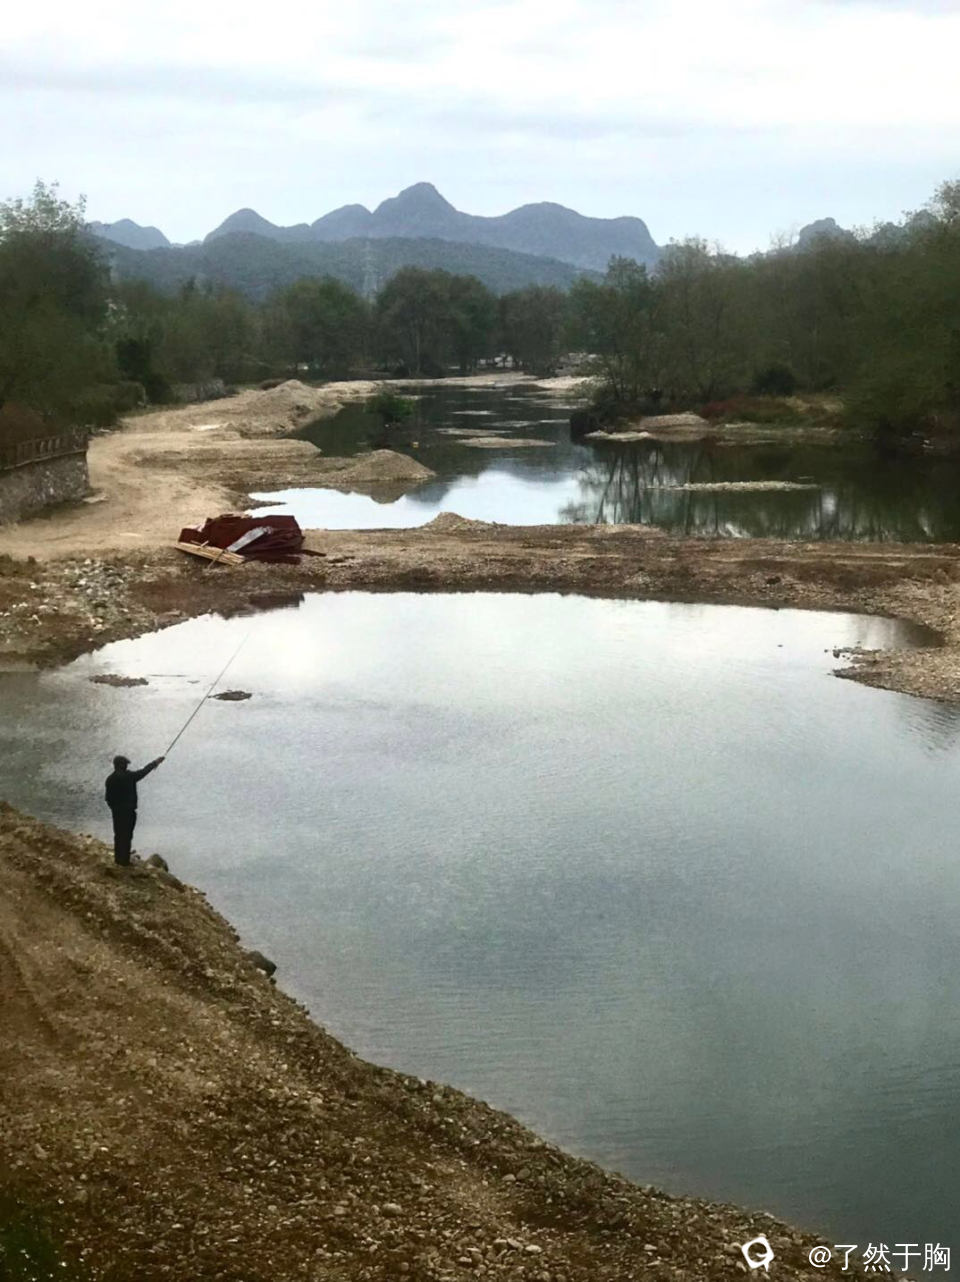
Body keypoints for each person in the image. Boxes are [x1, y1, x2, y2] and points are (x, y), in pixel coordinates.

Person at [104, 754, 165, 866]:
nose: (127, 766)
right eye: (126, 764)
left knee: (118, 835)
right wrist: (155, 762)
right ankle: (124, 861)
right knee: (127, 836)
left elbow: (108, 799)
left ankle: (118, 860)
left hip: (117, 813)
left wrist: (115, 809)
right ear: (122, 765)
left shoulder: (110, 779)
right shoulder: (129, 776)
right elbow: (143, 772)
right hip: (129, 812)